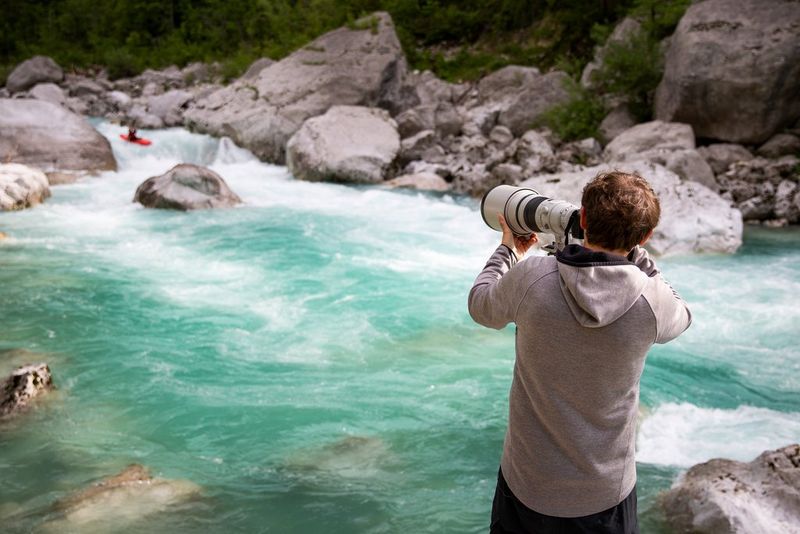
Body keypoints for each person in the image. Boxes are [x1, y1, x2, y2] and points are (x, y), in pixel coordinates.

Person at [469, 171, 691, 534]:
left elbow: (480, 304)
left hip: (527, 484)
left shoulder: (532, 278)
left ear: (583, 218)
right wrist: (641, 261)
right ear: (646, 236)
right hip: (605, 496)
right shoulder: (652, 302)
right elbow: (683, 313)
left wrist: (508, 249)